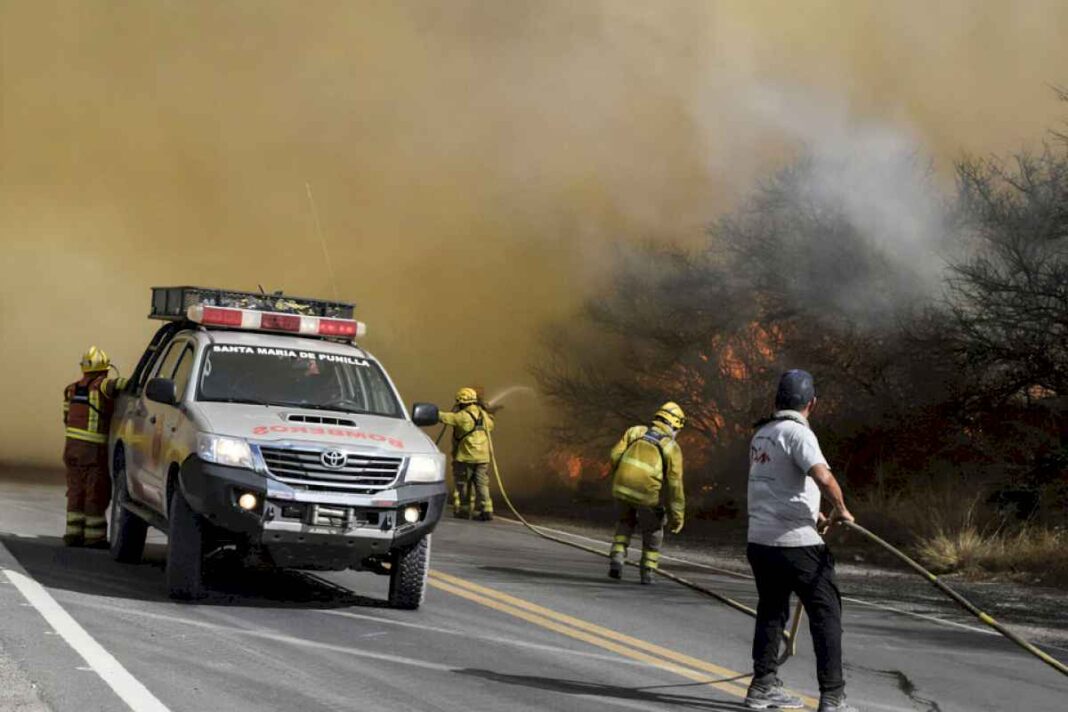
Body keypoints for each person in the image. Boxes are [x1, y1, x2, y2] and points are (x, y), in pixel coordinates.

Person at [743, 370, 857, 712]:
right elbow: (822, 476)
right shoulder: (799, 433)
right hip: (797, 545)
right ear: (812, 403)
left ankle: (762, 686)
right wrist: (841, 509)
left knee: (771, 611)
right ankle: (833, 697)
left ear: (776, 401)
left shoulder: (761, 434)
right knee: (827, 614)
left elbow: (776, 485)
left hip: (760, 542)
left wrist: (816, 514)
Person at [607, 402, 685, 585]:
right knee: (654, 530)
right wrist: (677, 516)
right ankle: (648, 570)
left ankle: (617, 556)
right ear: (674, 424)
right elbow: (675, 485)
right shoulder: (671, 447)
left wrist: (620, 476)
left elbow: (614, 456)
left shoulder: (635, 431)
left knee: (625, 522)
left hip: (621, 489)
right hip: (647, 495)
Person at [62, 346, 127, 548]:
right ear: (104, 368)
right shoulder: (102, 386)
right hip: (93, 450)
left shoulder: (71, 389)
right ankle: (94, 537)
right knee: (95, 491)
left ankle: (73, 533)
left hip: (71, 449)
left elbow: (67, 418)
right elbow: (123, 384)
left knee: (75, 490)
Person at [439, 387, 495, 521]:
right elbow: (491, 426)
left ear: (461, 402)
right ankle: (486, 510)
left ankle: (464, 510)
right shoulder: (484, 415)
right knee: (482, 484)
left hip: (466, 457)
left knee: (463, 483)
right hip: (483, 457)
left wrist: (433, 412)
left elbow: (446, 417)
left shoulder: (462, 416)